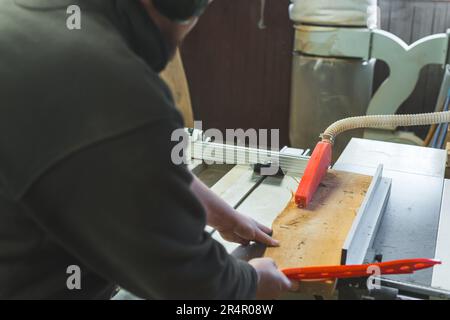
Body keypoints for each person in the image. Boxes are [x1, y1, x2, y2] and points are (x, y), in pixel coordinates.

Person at [0, 0, 294, 299]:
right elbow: (192, 287)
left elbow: (107, 160)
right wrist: (253, 283)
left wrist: (220, 215)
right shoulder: (115, 84)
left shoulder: (27, 18)